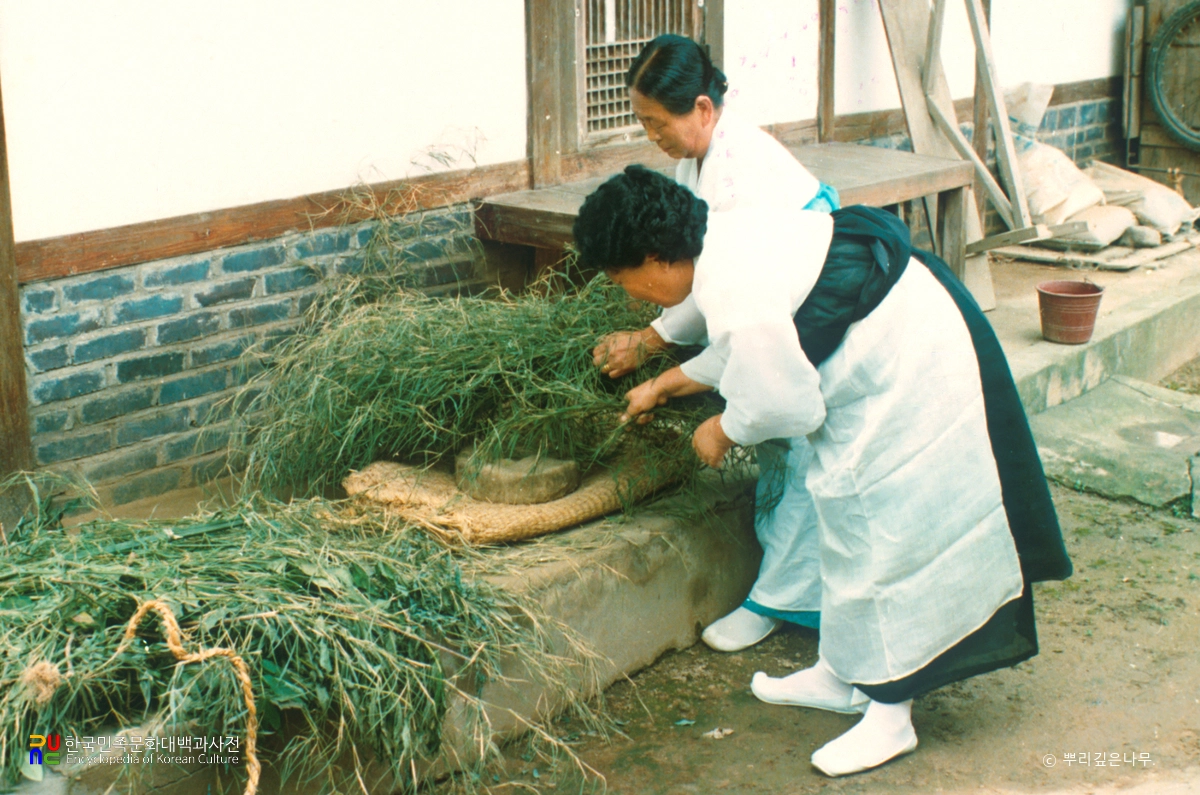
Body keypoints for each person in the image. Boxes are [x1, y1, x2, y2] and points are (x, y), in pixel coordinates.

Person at [572, 165, 1072, 777]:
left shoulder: (731, 278)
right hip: (877, 342)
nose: (633, 298)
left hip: (907, 358)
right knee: (843, 514)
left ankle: (891, 717)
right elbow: (752, 344)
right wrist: (666, 384)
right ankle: (841, 673)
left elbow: (784, 400)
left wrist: (721, 429)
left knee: (884, 530)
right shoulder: (718, 242)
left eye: (627, 281)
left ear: (655, 258)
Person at [593, 34, 839, 652]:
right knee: (782, 437)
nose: (652, 135)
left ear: (702, 108)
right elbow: (710, 294)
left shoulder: (742, 176)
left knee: (799, 449)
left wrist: (659, 351)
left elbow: (714, 289)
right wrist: (663, 372)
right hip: (771, 304)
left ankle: (779, 600)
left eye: (657, 122)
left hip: (808, 304)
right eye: (642, 123)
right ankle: (789, 590)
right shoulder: (692, 160)